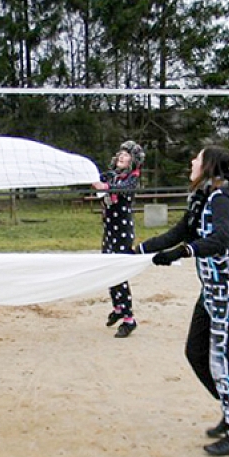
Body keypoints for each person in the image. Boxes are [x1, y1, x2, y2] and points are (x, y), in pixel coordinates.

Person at [136, 146, 229, 457]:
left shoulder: (222, 199)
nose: (192, 162)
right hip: (211, 292)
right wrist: (139, 251)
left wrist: (183, 252)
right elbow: (180, 231)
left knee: (224, 359)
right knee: (195, 351)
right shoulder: (202, 198)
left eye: (197, 159)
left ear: (209, 166)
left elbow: (219, 240)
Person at [91, 140, 145, 338]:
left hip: (122, 231)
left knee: (120, 273)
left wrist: (103, 186)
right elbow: (99, 179)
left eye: (127, 155)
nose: (122, 156)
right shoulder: (112, 174)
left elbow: (116, 189)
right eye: (120, 153)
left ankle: (129, 319)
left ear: (134, 160)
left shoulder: (132, 179)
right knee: (109, 271)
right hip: (109, 231)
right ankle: (119, 308)